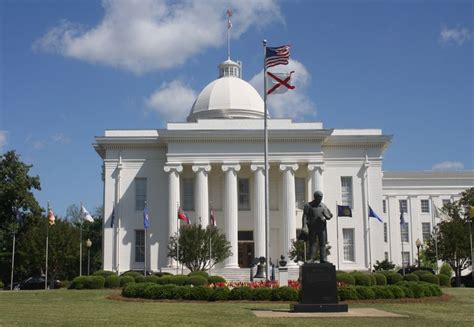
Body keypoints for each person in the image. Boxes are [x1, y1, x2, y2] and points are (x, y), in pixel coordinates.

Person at [302, 191, 333, 263]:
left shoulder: (323, 206)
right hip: (312, 227)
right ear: (315, 197)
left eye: (321, 197)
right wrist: (304, 226)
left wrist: (330, 216)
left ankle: (323, 259)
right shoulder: (308, 205)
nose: (320, 199)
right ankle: (312, 258)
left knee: (322, 243)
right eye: (319, 197)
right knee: (312, 243)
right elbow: (305, 216)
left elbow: (328, 216)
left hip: (321, 227)